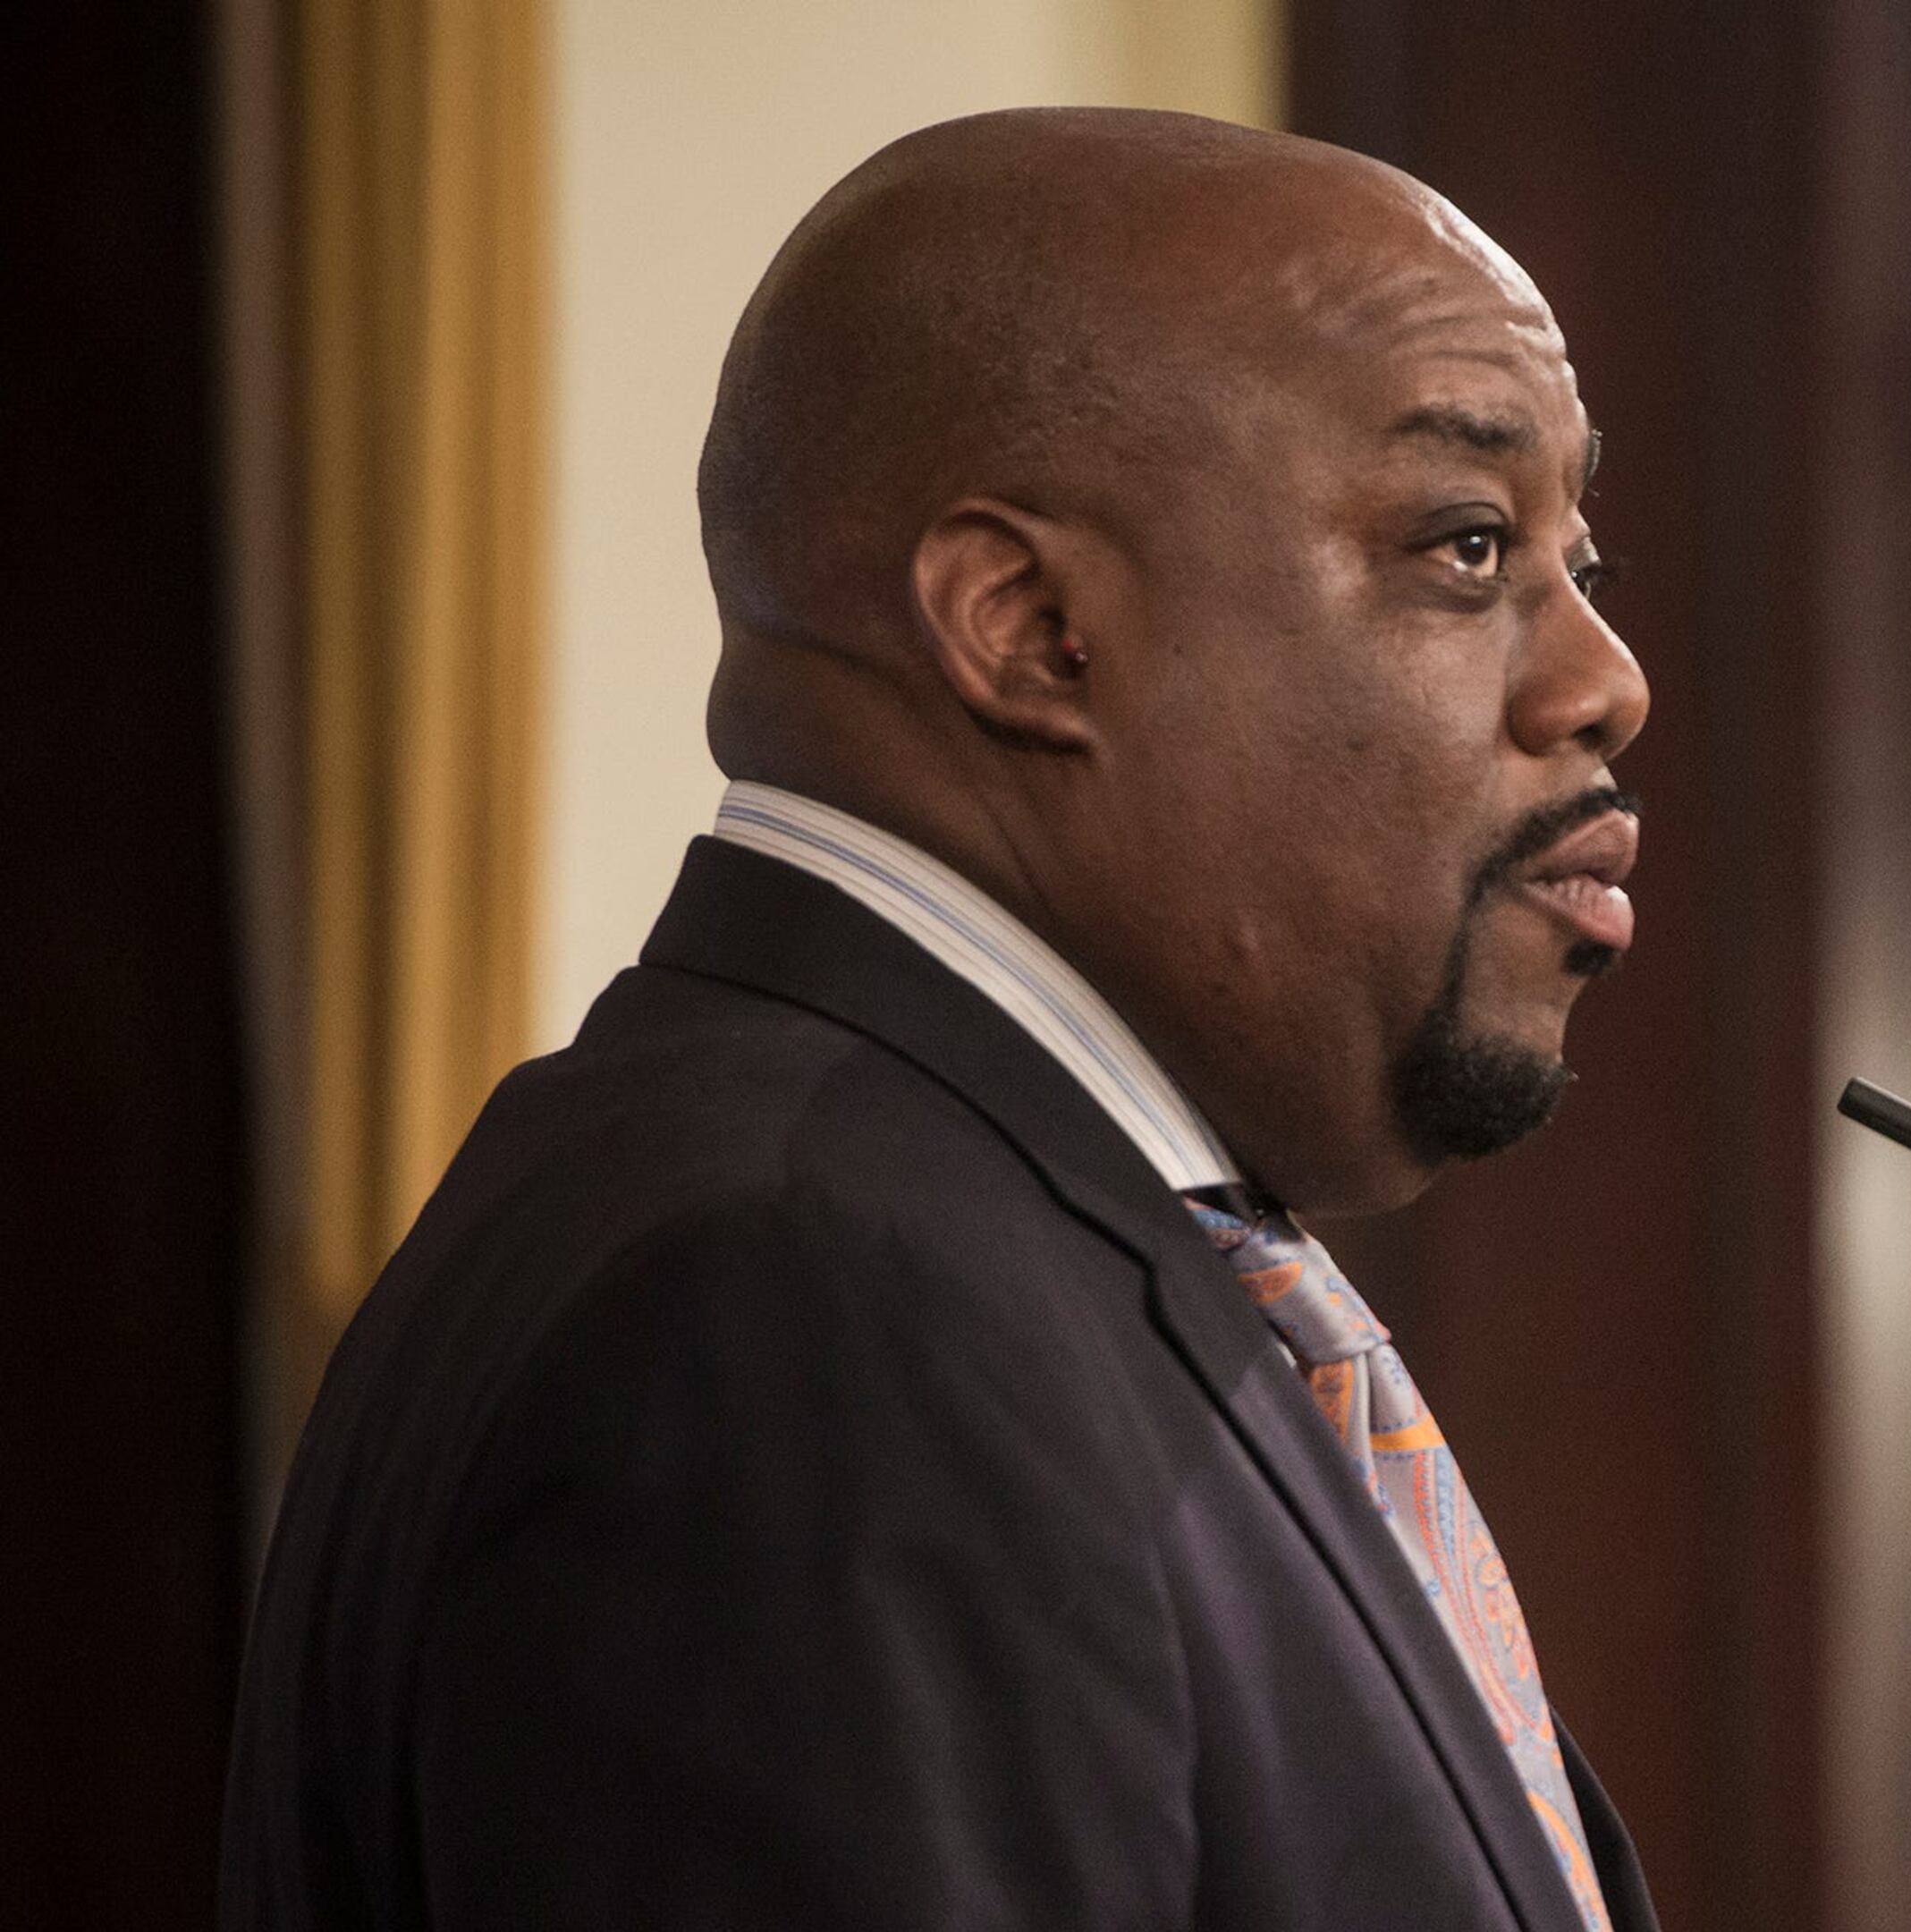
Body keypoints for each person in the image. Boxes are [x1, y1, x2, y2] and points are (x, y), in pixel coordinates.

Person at [222, 107, 1655, 1932]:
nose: (1605, 679)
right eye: (1465, 547)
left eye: (1578, 566)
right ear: (1029, 626)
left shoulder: (978, 1234)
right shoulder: (796, 1311)